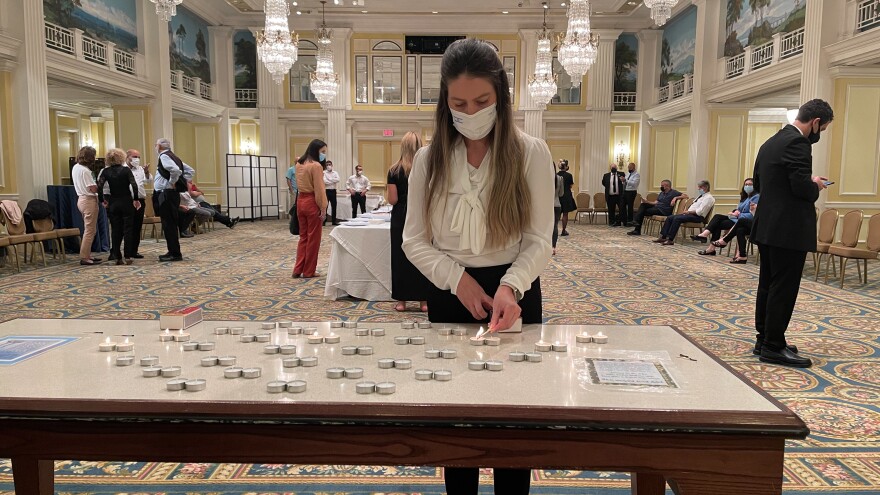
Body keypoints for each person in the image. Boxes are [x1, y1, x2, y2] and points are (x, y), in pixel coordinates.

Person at [402, 38, 553, 495]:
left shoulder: (531, 153)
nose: (470, 111)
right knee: (457, 419)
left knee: (513, 419)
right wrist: (458, 282)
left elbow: (539, 239)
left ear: (502, 98)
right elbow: (413, 240)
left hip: (515, 289)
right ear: (445, 104)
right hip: (451, 291)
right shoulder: (429, 160)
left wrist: (510, 287)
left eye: (482, 101)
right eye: (458, 103)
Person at [751, 99, 833, 368]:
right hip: (788, 228)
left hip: (767, 225)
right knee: (783, 288)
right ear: (816, 122)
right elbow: (801, 189)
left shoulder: (770, 141)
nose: (821, 133)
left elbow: (760, 183)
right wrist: (816, 185)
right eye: (824, 127)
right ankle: (773, 346)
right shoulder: (798, 143)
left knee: (768, 284)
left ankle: (765, 338)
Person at [387, 131, 430, 312]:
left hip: (400, 216)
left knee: (400, 257)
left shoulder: (393, 170)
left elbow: (393, 200)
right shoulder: (427, 168)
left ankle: (401, 301)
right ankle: (424, 301)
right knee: (423, 255)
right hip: (420, 214)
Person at [96, 148, 141, 265]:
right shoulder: (126, 170)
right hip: (126, 201)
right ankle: (128, 255)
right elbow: (134, 185)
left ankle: (117, 256)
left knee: (115, 230)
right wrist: (136, 199)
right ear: (122, 158)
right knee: (128, 229)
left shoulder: (106, 172)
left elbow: (99, 187)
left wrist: (102, 200)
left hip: (113, 202)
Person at [153, 138, 194, 262]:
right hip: (171, 194)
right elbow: (190, 171)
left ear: (159, 146)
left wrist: (172, 183)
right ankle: (173, 251)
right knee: (170, 223)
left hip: (167, 194)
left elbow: (175, 171)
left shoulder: (164, 156)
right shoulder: (175, 157)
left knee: (169, 224)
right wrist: (181, 181)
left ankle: (174, 253)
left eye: (156, 145)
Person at [693, 178, 759, 255]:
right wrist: (735, 211)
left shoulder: (756, 197)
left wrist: (738, 214)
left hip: (742, 221)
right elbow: (740, 209)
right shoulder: (745, 197)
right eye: (746, 184)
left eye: (750, 184)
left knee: (717, 224)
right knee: (717, 218)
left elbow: (753, 214)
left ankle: (710, 244)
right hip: (736, 218)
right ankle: (707, 240)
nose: (747, 186)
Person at [293, 139, 329, 278]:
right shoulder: (315, 166)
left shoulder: (299, 164)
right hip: (312, 201)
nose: (324, 155)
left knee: (303, 237)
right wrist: (323, 208)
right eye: (323, 152)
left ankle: (298, 269)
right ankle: (309, 271)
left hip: (300, 201)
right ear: (316, 151)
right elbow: (319, 189)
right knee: (313, 238)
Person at [653, 180, 715, 245]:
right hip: (690, 214)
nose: (698, 189)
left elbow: (700, 211)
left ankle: (670, 239)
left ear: (705, 187)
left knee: (677, 219)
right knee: (670, 217)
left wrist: (688, 212)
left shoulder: (708, 198)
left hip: (697, 217)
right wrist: (686, 212)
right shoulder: (701, 196)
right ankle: (663, 237)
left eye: (700, 187)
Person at [71, 146, 102, 265]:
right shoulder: (85, 171)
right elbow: (92, 188)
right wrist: (102, 186)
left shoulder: (76, 167)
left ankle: (87, 254)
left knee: (90, 229)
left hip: (81, 199)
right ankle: (84, 257)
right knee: (89, 230)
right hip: (89, 200)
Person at [125, 149, 150, 259]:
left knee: (137, 226)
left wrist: (146, 172)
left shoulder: (140, 169)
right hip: (127, 201)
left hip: (140, 200)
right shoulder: (122, 169)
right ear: (127, 157)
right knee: (127, 227)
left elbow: (148, 181)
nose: (137, 159)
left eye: (139, 157)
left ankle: (134, 250)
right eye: (135, 157)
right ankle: (126, 251)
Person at [557, 159, 576, 235]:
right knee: (565, 214)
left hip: (557, 196)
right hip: (566, 196)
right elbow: (571, 186)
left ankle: (554, 230)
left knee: (557, 214)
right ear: (566, 167)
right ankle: (563, 230)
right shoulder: (569, 175)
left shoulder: (556, 175)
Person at [621, 162, 640, 226]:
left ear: (634, 168)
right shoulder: (628, 173)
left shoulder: (636, 175)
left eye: (630, 167)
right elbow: (625, 181)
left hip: (632, 192)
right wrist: (623, 181)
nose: (629, 169)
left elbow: (634, 184)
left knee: (630, 206)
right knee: (622, 205)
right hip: (625, 191)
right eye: (628, 167)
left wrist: (626, 180)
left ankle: (630, 221)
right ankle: (624, 220)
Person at [552, 162, 564, 256]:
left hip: (546, 205)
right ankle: (553, 247)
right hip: (557, 205)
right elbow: (561, 194)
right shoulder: (559, 178)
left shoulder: (543, 178)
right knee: (555, 226)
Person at [323, 160, 340, 226]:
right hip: (326, 191)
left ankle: (334, 221)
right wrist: (333, 180)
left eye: (329, 164)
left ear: (332, 165)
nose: (328, 166)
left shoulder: (335, 172)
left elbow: (338, 179)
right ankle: (324, 221)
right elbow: (324, 181)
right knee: (325, 206)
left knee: (334, 206)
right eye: (327, 165)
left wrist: (329, 179)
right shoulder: (323, 172)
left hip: (333, 191)